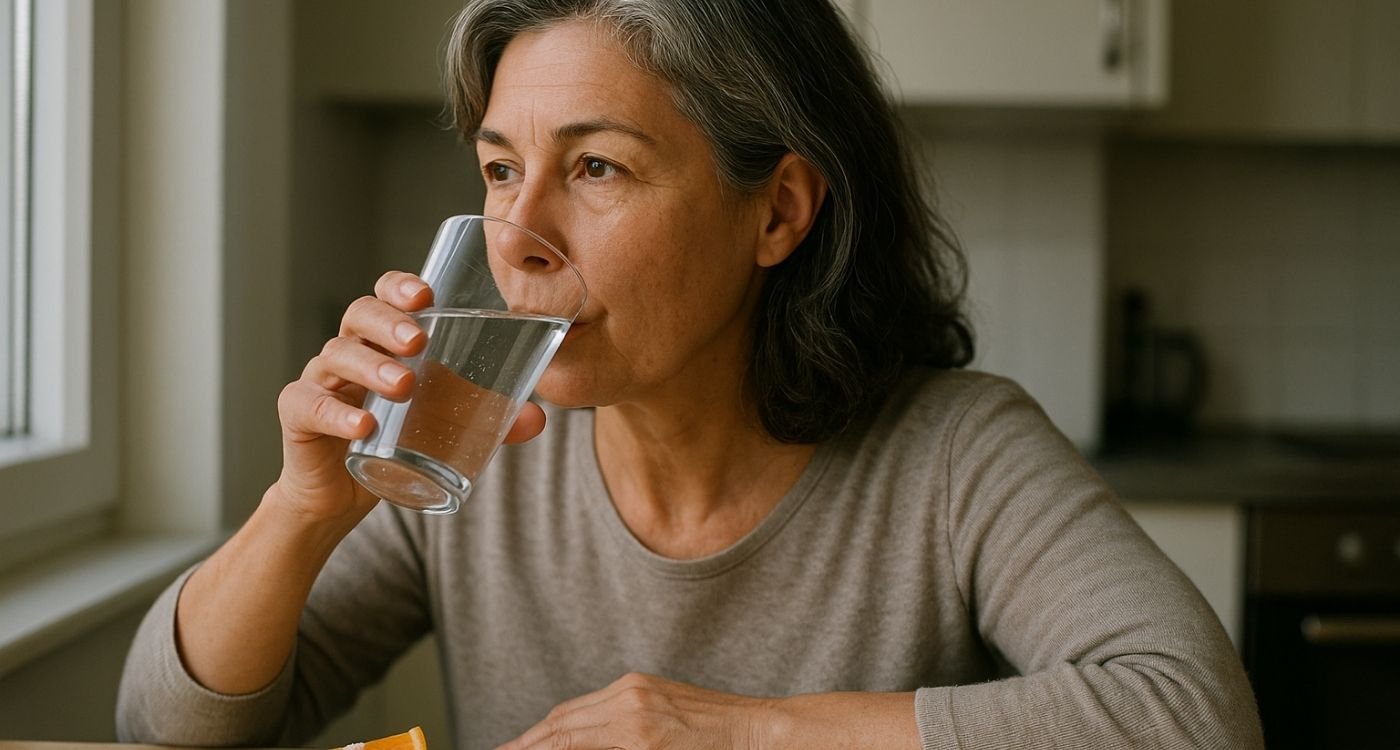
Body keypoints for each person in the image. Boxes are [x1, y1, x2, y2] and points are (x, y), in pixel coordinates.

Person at [116, 0, 1264, 747]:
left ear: (776, 213)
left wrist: (740, 734)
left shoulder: (954, 452)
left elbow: (1192, 716)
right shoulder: (470, 440)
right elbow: (163, 731)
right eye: (500, 168)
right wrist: (298, 509)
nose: (517, 232)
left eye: (597, 166)